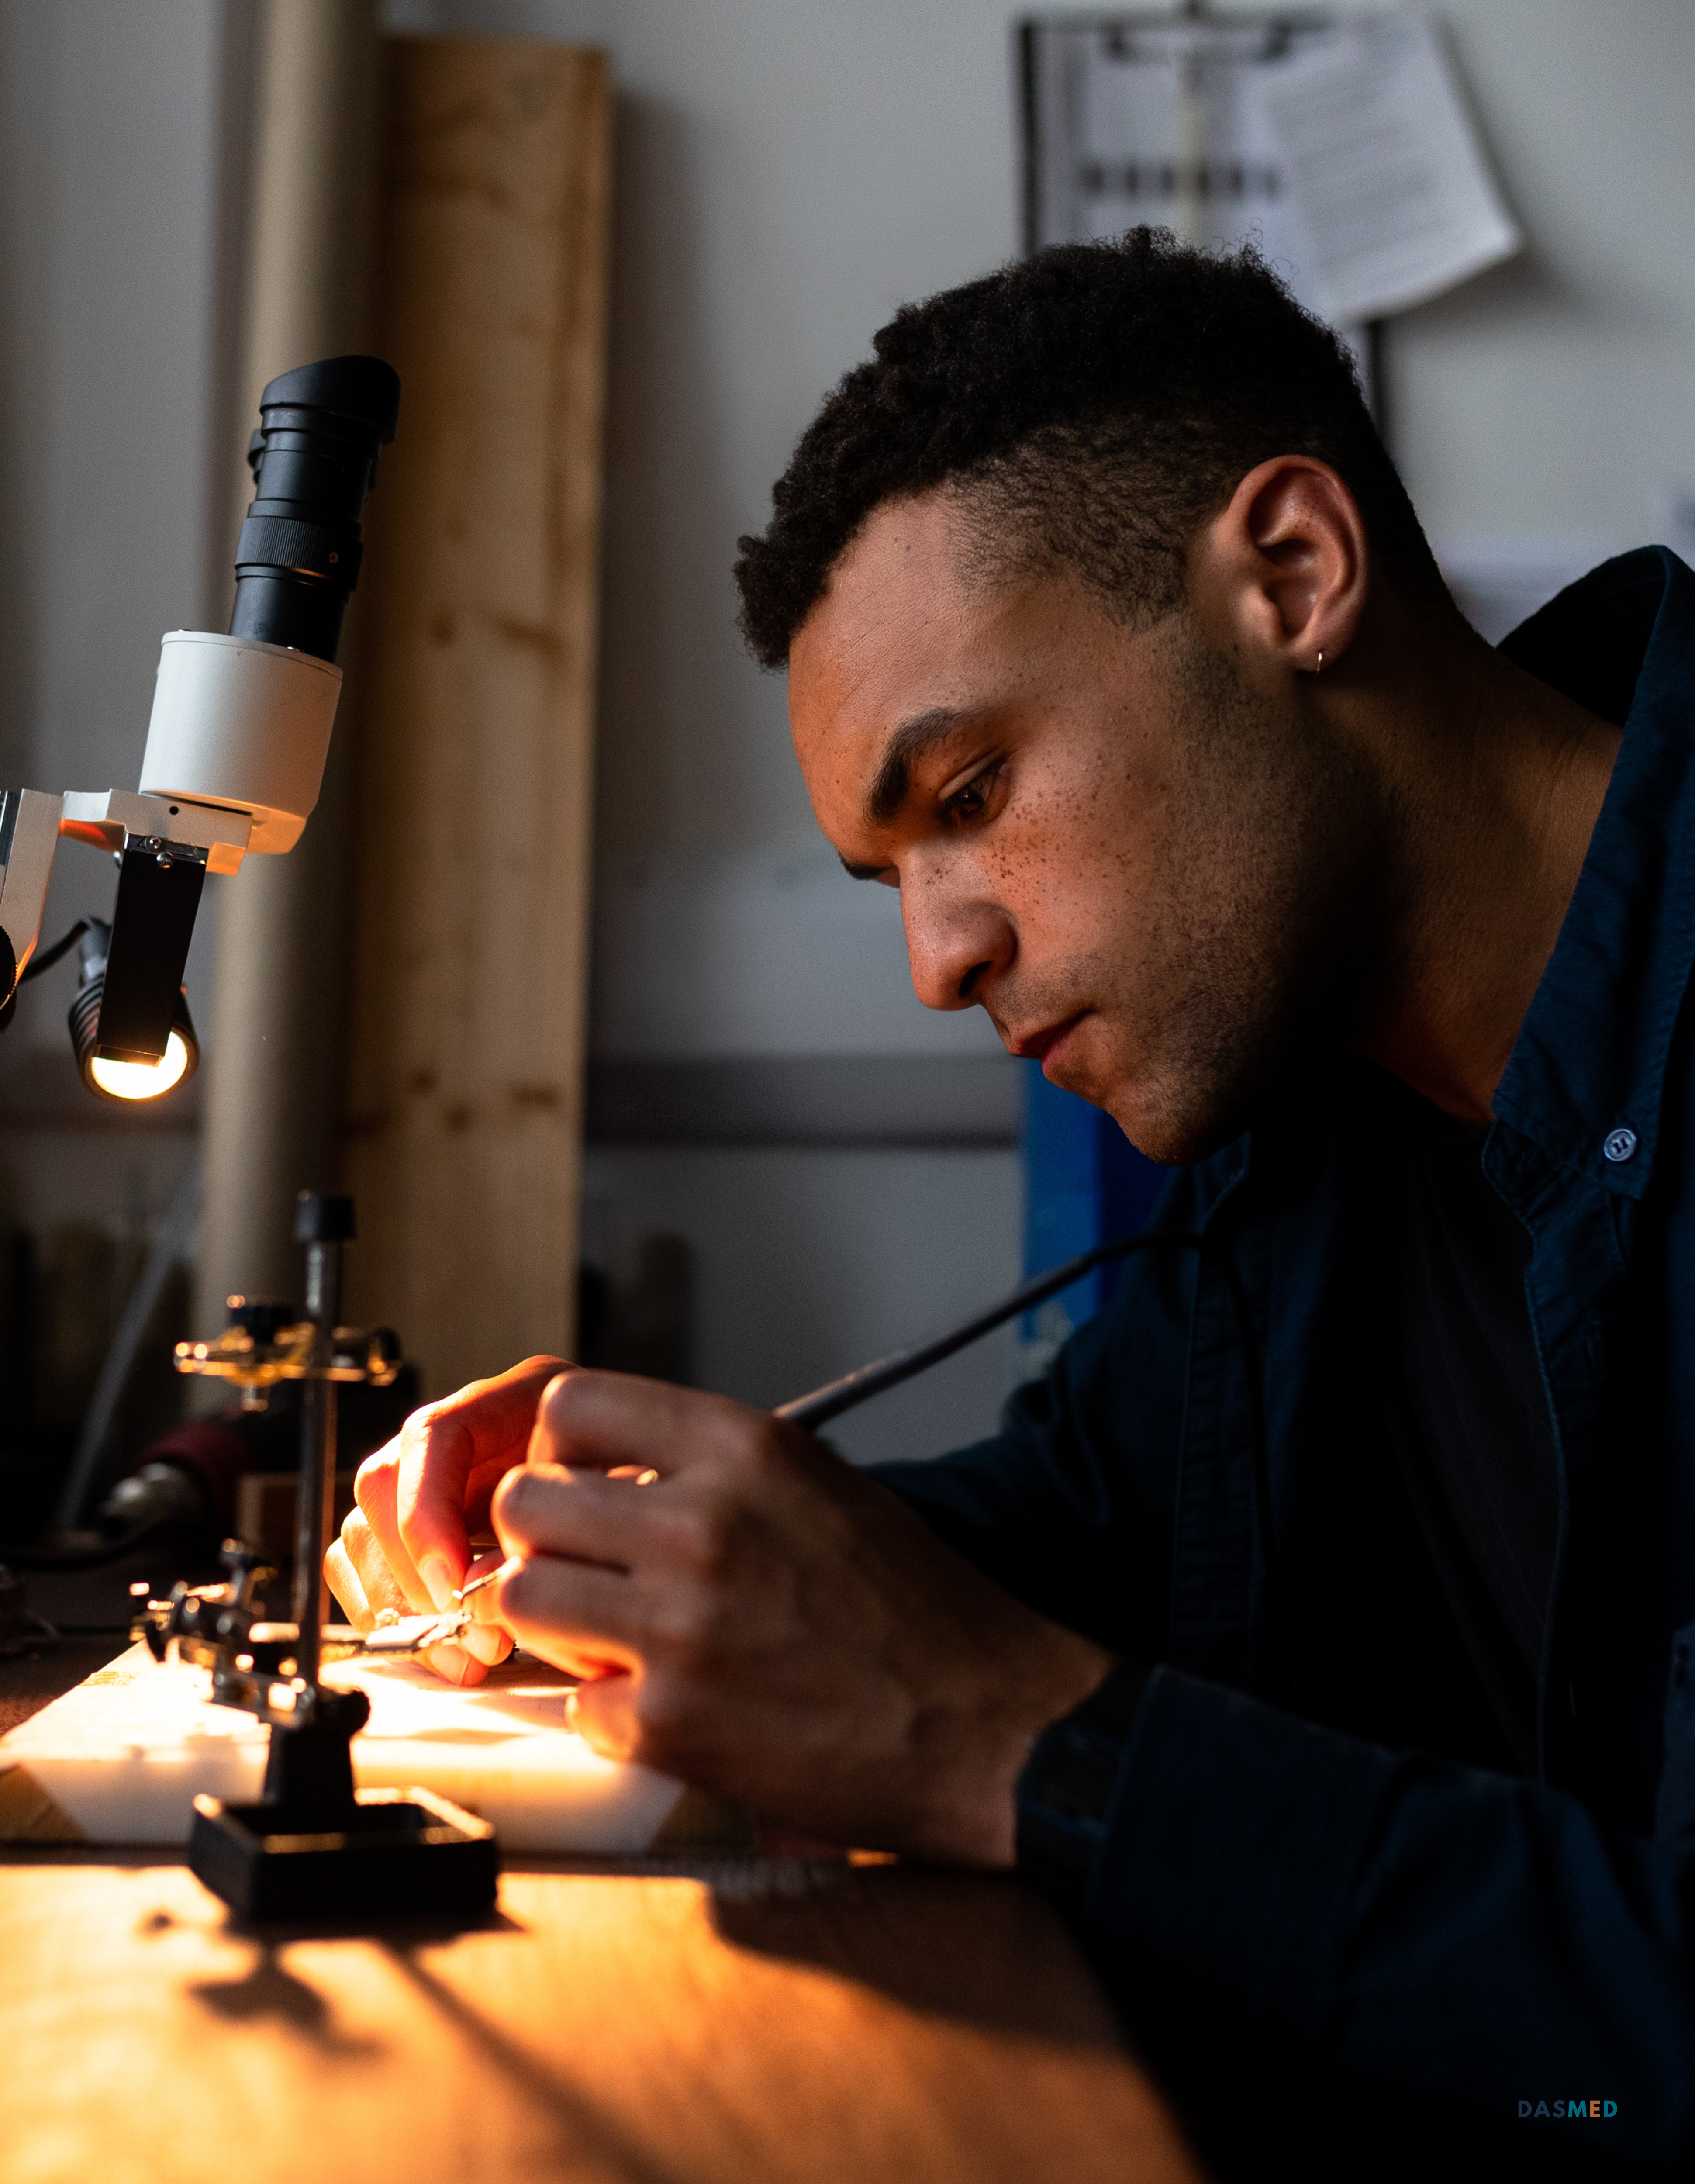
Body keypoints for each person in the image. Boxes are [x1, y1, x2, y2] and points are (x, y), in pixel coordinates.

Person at [326, 228, 1692, 2175]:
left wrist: (1003, 1742)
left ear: (1292, 574)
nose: (934, 962)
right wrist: (653, 1554)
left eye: (964, 793)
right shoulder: (1297, 1099)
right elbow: (1091, 1514)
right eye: (886, 870)